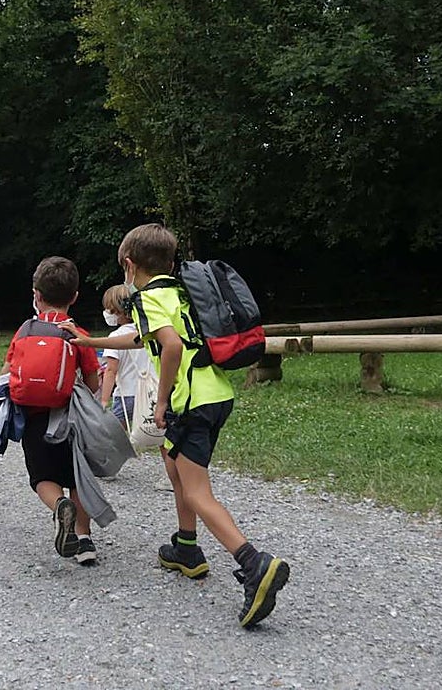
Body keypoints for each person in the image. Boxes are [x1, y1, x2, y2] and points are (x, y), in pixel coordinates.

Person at [71, 223, 290, 627]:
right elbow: (144, 339)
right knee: (173, 464)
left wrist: (163, 400)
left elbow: (169, 346)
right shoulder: (179, 290)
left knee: (196, 489)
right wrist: (90, 344)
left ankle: (255, 564)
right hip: (216, 394)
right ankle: (187, 548)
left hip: (190, 402)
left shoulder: (147, 297)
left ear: (128, 263)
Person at [4, 256, 101, 565]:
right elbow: (93, 379)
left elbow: (8, 371)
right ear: (74, 297)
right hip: (71, 419)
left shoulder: (24, 330)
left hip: (34, 418)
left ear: (36, 295)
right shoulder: (78, 333)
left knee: (42, 477)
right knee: (77, 478)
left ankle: (59, 506)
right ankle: (85, 541)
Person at [99, 284, 154, 428]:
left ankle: (119, 451)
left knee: (114, 432)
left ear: (118, 311)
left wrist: (104, 400)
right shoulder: (147, 332)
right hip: (150, 393)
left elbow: (111, 370)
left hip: (126, 394)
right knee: (159, 435)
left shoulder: (115, 337)